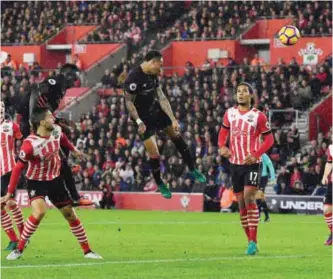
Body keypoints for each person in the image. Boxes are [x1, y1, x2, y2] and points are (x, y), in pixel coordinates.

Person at [1, 108, 102, 260]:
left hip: (55, 180)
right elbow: (17, 168)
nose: (53, 119)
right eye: (49, 117)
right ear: (42, 122)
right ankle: (19, 250)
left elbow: (62, 139)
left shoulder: (56, 131)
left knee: (70, 215)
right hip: (36, 182)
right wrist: (9, 193)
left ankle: (87, 251)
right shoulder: (29, 145)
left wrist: (74, 150)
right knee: (40, 212)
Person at [124, 50, 206, 199]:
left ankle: (193, 169)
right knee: (154, 153)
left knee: (177, 136)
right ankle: (160, 183)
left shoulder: (153, 75)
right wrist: (138, 121)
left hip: (155, 110)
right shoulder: (133, 78)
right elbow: (129, 102)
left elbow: (161, 97)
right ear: (152, 62)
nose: (160, 69)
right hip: (142, 118)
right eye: (159, 65)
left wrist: (173, 119)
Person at [15, 63, 93, 207]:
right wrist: (33, 120)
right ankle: (69, 193)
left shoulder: (61, 90)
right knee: (37, 158)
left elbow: (45, 110)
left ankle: (71, 193)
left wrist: (58, 120)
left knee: (63, 143)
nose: (76, 81)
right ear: (70, 76)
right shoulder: (58, 81)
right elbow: (36, 93)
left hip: (36, 121)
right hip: (29, 122)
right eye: (75, 77)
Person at [218, 82, 274, 255]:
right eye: (238, 92)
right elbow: (222, 134)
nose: (240, 94)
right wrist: (222, 147)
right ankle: (250, 241)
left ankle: (253, 240)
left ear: (251, 95)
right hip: (234, 164)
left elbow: (269, 140)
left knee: (250, 197)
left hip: (252, 164)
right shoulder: (230, 114)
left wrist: (256, 154)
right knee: (241, 203)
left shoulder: (259, 116)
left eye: (244, 91)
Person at [0, 101, 25, 251]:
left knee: (10, 203)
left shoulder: (11, 126)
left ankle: (23, 237)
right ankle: (14, 239)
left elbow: (23, 140)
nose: (1, 110)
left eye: (2, 108)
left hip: (9, 169)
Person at [256, 153, 275, 223]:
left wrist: (273, 178)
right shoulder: (254, 153)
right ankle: (267, 216)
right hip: (256, 177)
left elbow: (270, 165)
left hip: (263, 178)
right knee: (261, 198)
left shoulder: (263, 155)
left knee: (258, 197)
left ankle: (258, 217)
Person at [321, 144, 332, 246]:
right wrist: (325, 176)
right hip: (332, 183)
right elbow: (329, 163)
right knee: (326, 210)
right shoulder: (331, 147)